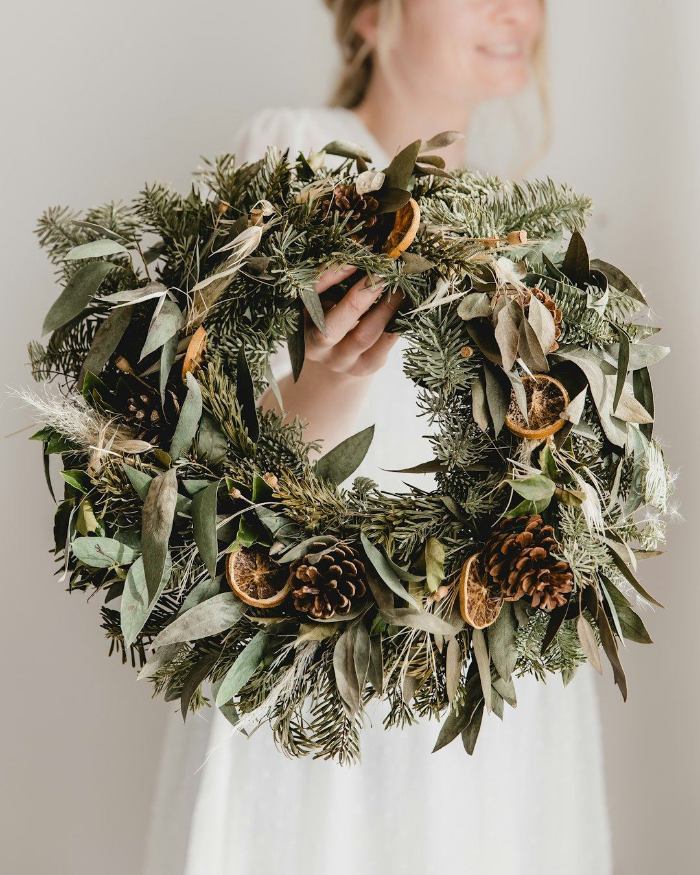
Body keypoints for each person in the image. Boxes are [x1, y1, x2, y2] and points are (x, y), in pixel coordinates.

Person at [143, 2, 611, 873]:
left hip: (488, 728)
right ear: (370, 16)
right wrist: (330, 381)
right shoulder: (298, 158)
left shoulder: (529, 237)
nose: (519, 11)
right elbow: (214, 488)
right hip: (329, 713)